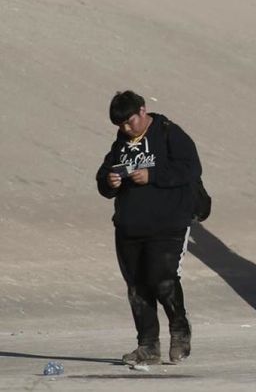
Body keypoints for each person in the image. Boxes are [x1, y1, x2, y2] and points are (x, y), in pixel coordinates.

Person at [96, 91, 200, 366]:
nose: (125, 129)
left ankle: (180, 331)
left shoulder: (169, 133)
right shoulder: (121, 143)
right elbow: (103, 177)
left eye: (129, 121)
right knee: (137, 287)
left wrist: (153, 175)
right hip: (129, 227)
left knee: (162, 281)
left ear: (143, 111)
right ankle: (147, 346)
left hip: (168, 224)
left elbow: (190, 169)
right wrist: (110, 182)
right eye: (120, 125)